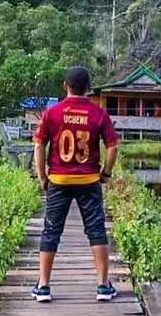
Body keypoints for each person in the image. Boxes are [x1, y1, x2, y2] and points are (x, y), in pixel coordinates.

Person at [31, 66, 119, 303]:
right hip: (89, 181)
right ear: (89, 88)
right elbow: (113, 146)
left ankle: (43, 286)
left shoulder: (52, 113)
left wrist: (42, 177)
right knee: (96, 230)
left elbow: (39, 146)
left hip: (58, 180)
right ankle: (103, 286)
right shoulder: (99, 114)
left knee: (51, 230)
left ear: (65, 86)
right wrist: (106, 173)